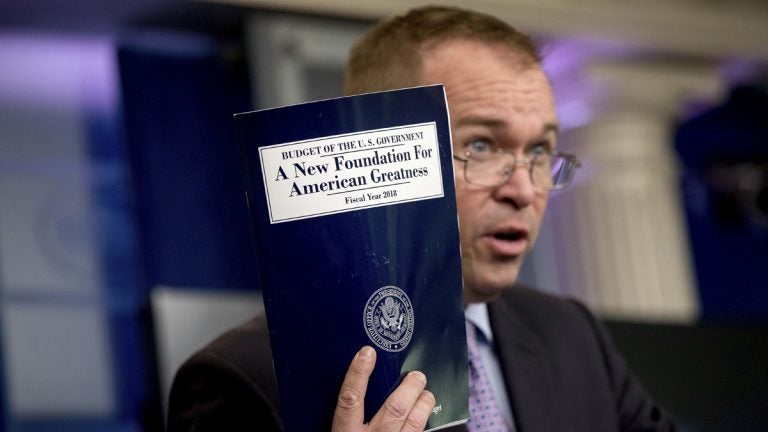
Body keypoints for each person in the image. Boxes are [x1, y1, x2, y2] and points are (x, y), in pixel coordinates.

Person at [168, 5, 677, 432]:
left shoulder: (571, 334)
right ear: (375, 151)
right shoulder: (240, 379)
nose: (523, 189)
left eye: (541, 150)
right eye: (481, 145)